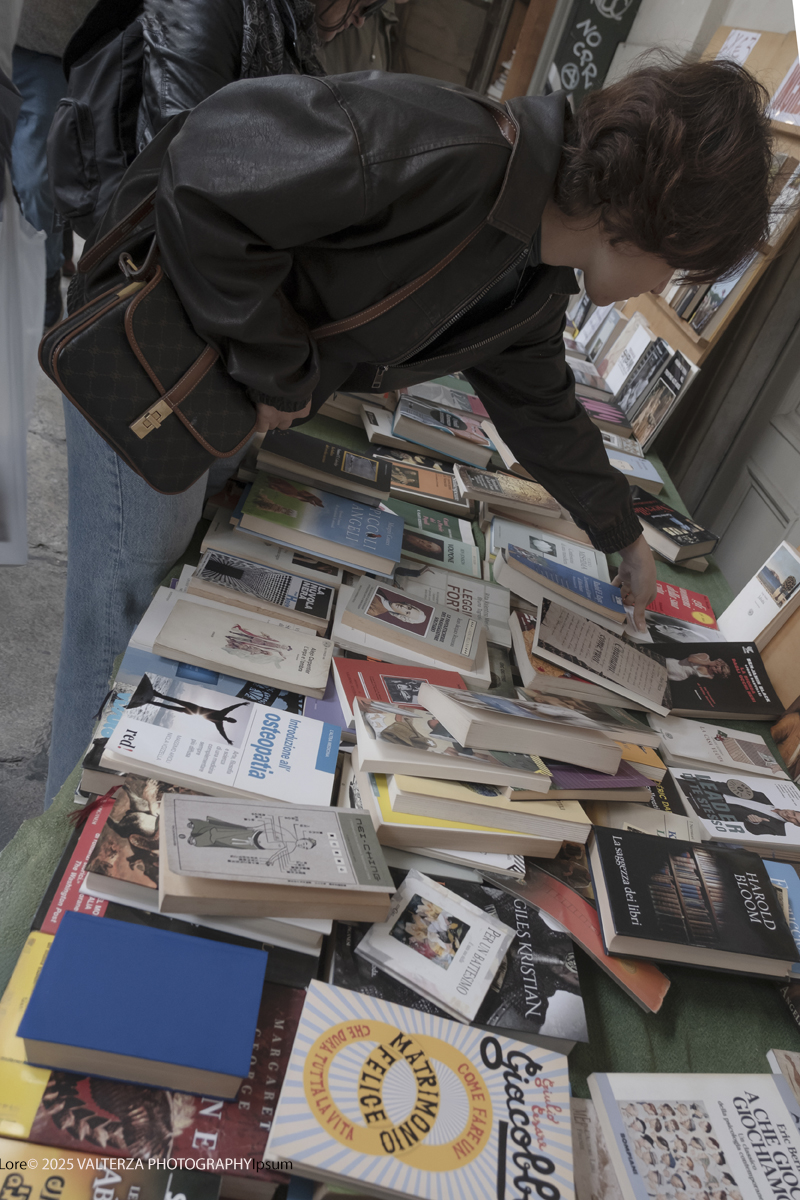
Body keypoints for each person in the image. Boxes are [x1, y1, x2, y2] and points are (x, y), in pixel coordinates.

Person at [44, 57, 775, 806]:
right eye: (674, 266)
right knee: (123, 607)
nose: (659, 288)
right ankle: (56, 851)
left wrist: (621, 532)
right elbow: (206, 178)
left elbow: (540, 402)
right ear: (650, 218)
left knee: (168, 592)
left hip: (227, 385)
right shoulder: (448, 148)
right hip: (154, 358)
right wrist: (278, 373)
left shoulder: (538, 264)